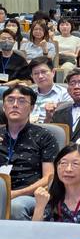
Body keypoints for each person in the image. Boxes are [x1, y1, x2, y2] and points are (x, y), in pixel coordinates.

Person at [1, 85, 58, 220]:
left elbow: (49, 177)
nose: (15, 105)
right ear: (4, 107)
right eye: (10, 100)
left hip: (30, 195)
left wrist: (16, 193)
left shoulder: (44, 136)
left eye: (21, 101)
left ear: (31, 108)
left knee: (15, 207)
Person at [47, 68, 80, 142]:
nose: (76, 87)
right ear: (68, 90)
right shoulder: (58, 113)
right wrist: (48, 117)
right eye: (72, 83)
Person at [29, 56, 70, 123]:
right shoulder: (28, 94)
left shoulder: (65, 94)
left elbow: (65, 121)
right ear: (32, 76)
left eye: (44, 72)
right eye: (36, 73)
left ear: (53, 72)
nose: (40, 76)